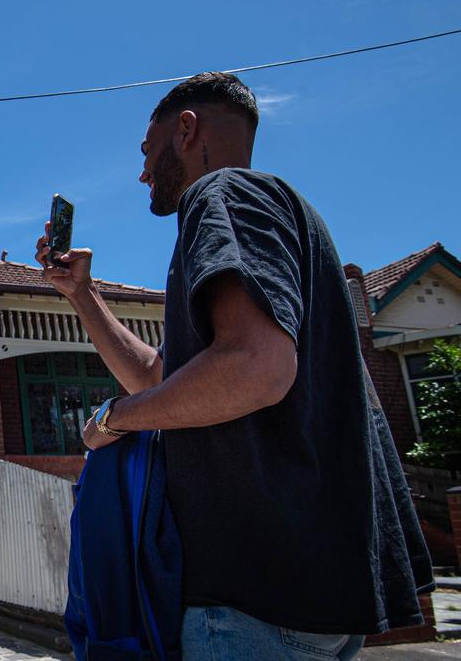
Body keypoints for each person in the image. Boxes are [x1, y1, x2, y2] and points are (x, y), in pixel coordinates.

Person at [37, 72, 433, 660]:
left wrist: (115, 420)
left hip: (256, 605)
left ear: (187, 130)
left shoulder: (222, 194)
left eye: (147, 151)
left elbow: (255, 368)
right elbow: (166, 382)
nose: (142, 171)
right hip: (310, 595)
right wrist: (81, 294)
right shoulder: (290, 214)